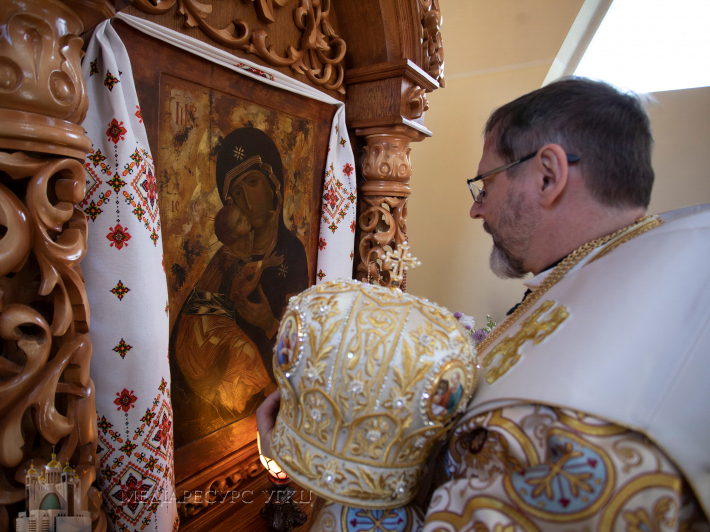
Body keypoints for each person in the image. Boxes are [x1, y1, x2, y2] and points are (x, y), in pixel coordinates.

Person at [257, 78, 710, 530]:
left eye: (485, 185)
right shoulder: (646, 267)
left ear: (548, 176)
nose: (477, 210)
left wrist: (318, 456)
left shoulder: (575, 418)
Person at [171, 127, 309, 447]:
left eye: (253, 182)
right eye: (236, 192)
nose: (247, 201)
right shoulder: (227, 256)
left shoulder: (292, 253)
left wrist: (268, 322)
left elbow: (304, 342)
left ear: (273, 183)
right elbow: (195, 324)